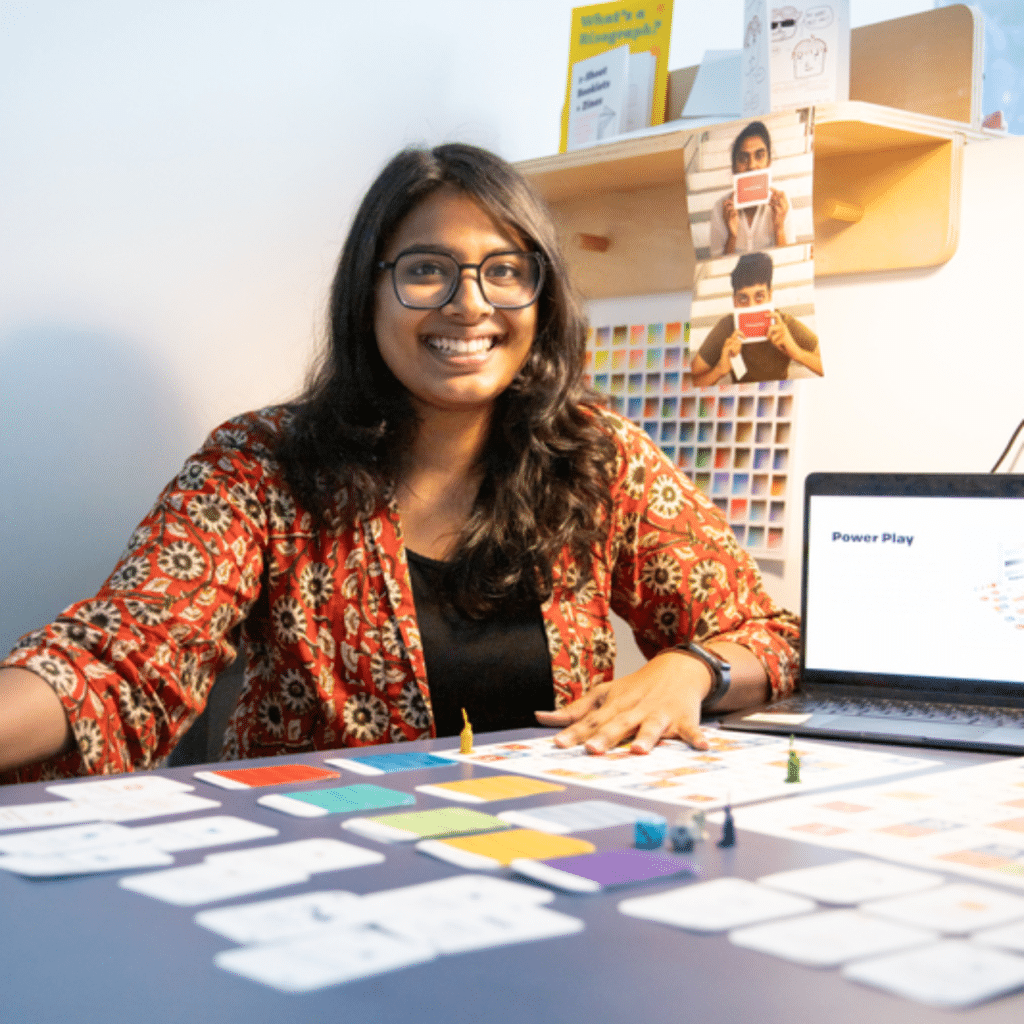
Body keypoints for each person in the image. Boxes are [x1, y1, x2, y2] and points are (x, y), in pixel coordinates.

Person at [0, 144, 799, 784]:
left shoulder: (597, 458)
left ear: (541, 298)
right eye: (427, 270)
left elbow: (768, 636)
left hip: (549, 863)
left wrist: (691, 670)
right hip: (315, 873)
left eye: (506, 271)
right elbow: (122, 656)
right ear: (368, 294)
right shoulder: (260, 466)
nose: (470, 303)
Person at [690, 251, 822, 386]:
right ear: (734, 301)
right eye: (743, 298)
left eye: (759, 296)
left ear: (770, 296)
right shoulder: (727, 326)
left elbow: (829, 365)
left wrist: (798, 354)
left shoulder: (784, 324)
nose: (751, 306)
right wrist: (719, 371)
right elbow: (689, 382)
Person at [709, 120, 792, 257]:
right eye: (743, 158)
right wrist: (732, 235)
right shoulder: (720, 208)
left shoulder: (782, 205)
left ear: (768, 162)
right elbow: (718, 268)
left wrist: (779, 228)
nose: (752, 165)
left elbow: (788, 263)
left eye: (759, 156)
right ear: (734, 168)